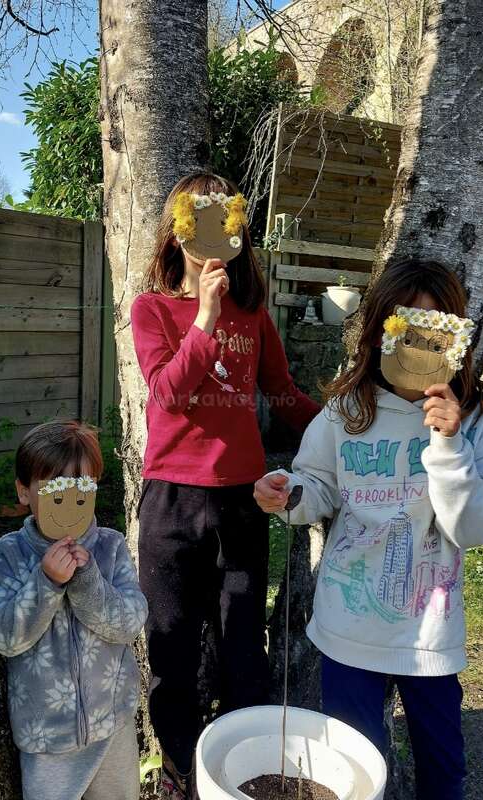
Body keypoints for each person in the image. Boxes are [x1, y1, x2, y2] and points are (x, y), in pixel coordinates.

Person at [254, 259, 483, 800]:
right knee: (352, 774)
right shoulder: (346, 412)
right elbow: (318, 485)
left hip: (428, 638)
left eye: (434, 329)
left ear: (457, 339)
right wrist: (288, 492)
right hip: (348, 631)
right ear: (379, 333)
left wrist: (448, 446)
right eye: (405, 328)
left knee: (442, 769)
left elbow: (475, 527)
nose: (419, 345)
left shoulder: (481, 421)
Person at [130, 172, 321, 797]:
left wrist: (350, 426)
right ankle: (182, 772)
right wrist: (204, 319)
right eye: (199, 224)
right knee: (173, 643)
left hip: (241, 500)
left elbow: (283, 394)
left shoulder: (255, 316)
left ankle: (242, 769)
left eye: (226, 224)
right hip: (171, 500)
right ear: (177, 234)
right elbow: (167, 392)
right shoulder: (152, 309)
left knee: (242, 641)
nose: (214, 239)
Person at [0, 420, 148, 800]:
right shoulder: (10, 554)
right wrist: (46, 582)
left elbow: (129, 623)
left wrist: (87, 578)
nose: (70, 504)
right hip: (47, 736)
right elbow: (5, 638)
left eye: (82, 489)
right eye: (56, 491)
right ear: (24, 492)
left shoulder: (109, 547)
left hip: (112, 726)